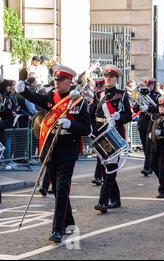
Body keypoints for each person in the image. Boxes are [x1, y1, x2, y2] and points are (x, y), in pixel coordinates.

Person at [16, 65, 91, 243]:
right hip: (50, 149)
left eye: (60, 80)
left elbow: (87, 129)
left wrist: (70, 125)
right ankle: (69, 222)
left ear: (69, 82)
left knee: (62, 188)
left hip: (67, 148)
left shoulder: (78, 102)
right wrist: (24, 90)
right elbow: (38, 98)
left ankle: (57, 229)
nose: (56, 83)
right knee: (58, 190)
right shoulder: (51, 96)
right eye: (55, 80)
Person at [90, 66, 132, 213]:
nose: (107, 78)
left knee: (110, 169)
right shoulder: (98, 95)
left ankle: (103, 202)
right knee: (103, 168)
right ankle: (116, 199)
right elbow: (92, 114)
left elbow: (129, 115)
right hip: (100, 135)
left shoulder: (122, 95)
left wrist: (119, 117)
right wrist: (91, 131)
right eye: (106, 76)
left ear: (116, 79)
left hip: (113, 134)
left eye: (111, 77)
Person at [133, 78, 160, 177]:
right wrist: (139, 102)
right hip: (142, 124)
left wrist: (148, 108)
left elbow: (159, 108)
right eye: (146, 85)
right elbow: (135, 109)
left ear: (153, 85)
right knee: (145, 147)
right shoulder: (141, 95)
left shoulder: (157, 96)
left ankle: (147, 168)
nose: (148, 87)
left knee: (149, 147)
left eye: (150, 85)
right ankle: (151, 165)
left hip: (152, 123)